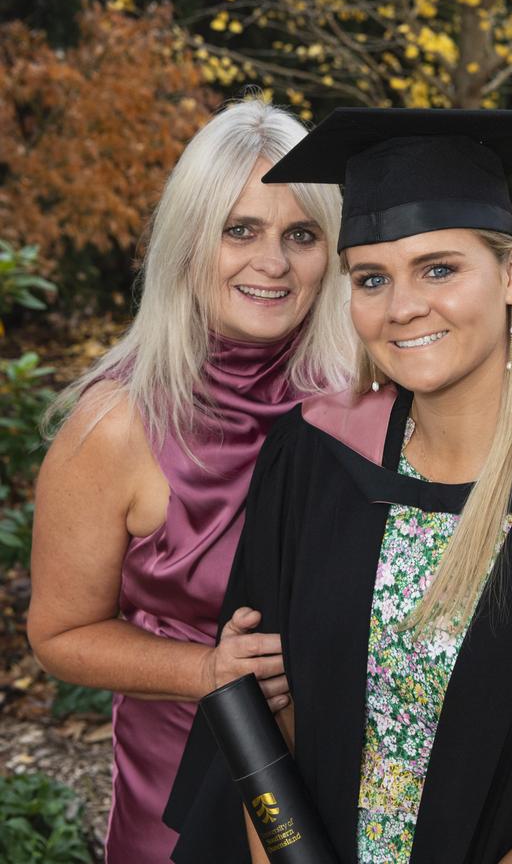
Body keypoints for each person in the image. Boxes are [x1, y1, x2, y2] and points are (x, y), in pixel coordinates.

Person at [166, 103, 512, 864]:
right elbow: (264, 723)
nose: (403, 308)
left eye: (439, 268)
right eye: (371, 277)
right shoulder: (315, 458)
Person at [27, 97, 356, 863]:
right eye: (240, 230)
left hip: (351, 788)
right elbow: (59, 635)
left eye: (300, 235)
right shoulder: (114, 424)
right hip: (182, 795)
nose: (271, 263)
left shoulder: (364, 404)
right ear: (188, 240)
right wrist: (207, 670)